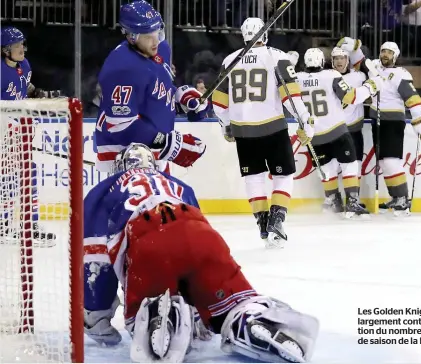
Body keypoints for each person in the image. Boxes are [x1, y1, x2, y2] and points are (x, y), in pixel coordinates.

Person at [82, 143, 319, 363]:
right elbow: (191, 249)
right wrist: (199, 313)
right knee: (229, 300)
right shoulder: (178, 185)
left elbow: (96, 260)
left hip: (149, 240)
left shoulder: (103, 191)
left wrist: (97, 318)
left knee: (149, 302)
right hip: (201, 234)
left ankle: (159, 315)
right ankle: (248, 319)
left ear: (119, 166)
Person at [212, 17, 315, 248]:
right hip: (272, 126)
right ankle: (277, 219)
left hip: (242, 131)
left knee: (253, 177)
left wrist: (226, 125)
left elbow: (218, 104)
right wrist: (306, 122)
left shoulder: (230, 60)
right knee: (283, 175)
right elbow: (291, 95)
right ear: (264, 34)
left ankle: (262, 221)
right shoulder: (276, 56)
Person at [95, 0, 207, 174]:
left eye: (158, 32)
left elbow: (156, 90)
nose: (155, 41)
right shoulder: (122, 68)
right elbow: (120, 125)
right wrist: (169, 143)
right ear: (132, 36)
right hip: (127, 157)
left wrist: (181, 98)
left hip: (155, 152)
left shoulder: (160, 49)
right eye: (148, 36)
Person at [338, 37, 421, 216]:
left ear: (396, 56)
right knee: (385, 162)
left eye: (390, 52)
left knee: (392, 161)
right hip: (378, 120)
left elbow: (413, 99)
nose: (385, 54)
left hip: (393, 122)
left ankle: (402, 198)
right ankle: (396, 197)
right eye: (383, 51)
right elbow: (360, 62)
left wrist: (418, 120)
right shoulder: (375, 66)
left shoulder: (401, 74)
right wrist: (353, 47)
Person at [296, 48, 382, 218]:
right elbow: (351, 98)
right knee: (350, 165)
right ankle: (351, 202)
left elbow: (287, 101)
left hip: (313, 134)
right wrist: (371, 86)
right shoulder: (331, 75)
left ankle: (334, 201)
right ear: (322, 61)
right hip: (336, 131)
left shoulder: (297, 78)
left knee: (327, 169)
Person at [0, 26, 56, 245]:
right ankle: (4, 223)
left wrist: (38, 93)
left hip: (21, 127)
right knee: (8, 175)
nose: (21, 49)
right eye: (16, 46)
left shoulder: (25, 65)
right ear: (5, 50)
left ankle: (29, 222)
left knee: (28, 171)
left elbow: (24, 86)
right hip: (4, 129)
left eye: (21, 44)